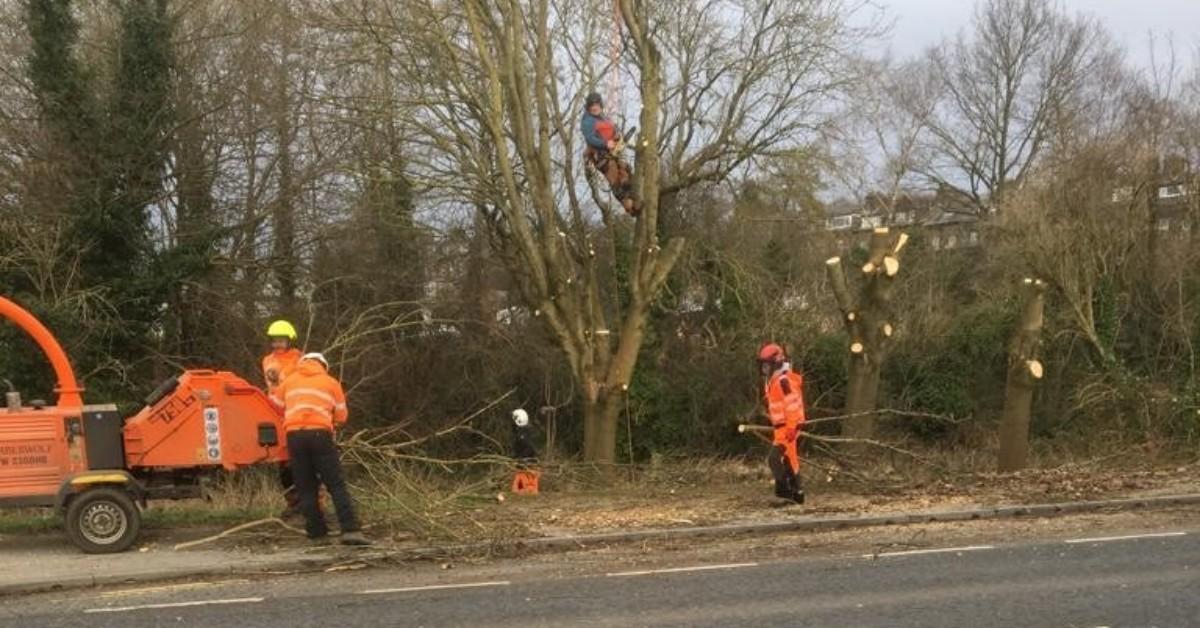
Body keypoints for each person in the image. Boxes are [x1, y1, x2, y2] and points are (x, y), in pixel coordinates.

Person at [271, 352, 370, 545]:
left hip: (294, 436)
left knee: (306, 487)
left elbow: (276, 405)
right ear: (323, 365)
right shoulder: (330, 382)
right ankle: (350, 530)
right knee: (335, 484)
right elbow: (341, 416)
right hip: (320, 436)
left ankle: (317, 534)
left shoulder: (289, 381)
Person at [261, 320, 308, 518]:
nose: (277, 344)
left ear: (290, 340)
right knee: (283, 463)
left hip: (297, 411)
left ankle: (312, 504)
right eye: (274, 340)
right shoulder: (267, 360)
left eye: (281, 340)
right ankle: (293, 502)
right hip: (276, 412)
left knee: (303, 460)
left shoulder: (300, 359)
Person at [757, 343, 806, 504]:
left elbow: (792, 405)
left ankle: (785, 492)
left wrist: (792, 427)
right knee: (789, 459)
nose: (764, 368)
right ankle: (797, 494)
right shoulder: (774, 380)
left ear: (775, 363)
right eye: (762, 365)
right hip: (782, 427)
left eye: (766, 365)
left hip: (788, 428)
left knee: (775, 459)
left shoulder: (783, 380)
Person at [580, 92, 640, 216]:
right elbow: (590, 138)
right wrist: (606, 144)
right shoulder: (588, 121)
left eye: (596, 104)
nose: (595, 107)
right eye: (592, 105)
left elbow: (614, 130)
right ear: (588, 107)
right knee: (615, 179)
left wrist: (617, 136)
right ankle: (629, 207)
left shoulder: (604, 118)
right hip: (601, 155)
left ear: (600, 104)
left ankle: (632, 194)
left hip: (613, 151)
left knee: (626, 170)